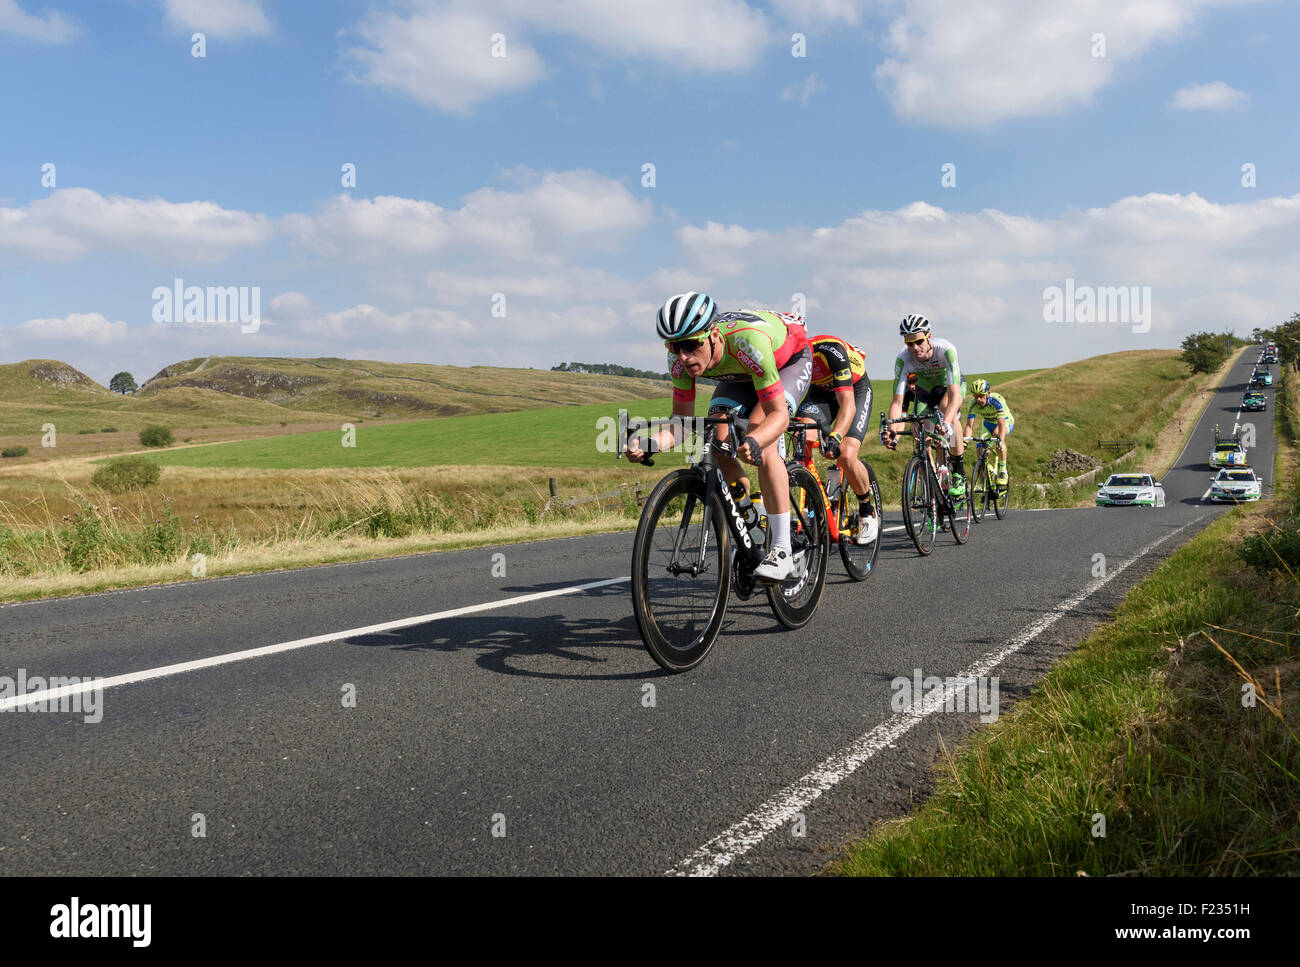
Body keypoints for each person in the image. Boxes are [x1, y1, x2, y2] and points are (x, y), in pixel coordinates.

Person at [624, 292, 812, 581]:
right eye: (675, 346)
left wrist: (755, 441)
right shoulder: (679, 361)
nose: (683, 356)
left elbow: (779, 416)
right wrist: (649, 444)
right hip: (738, 374)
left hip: (786, 361)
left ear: (713, 335)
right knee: (718, 439)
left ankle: (782, 549)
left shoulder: (750, 342)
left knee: (762, 438)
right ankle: (750, 513)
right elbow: (683, 423)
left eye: (690, 345)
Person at [794, 334, 878, 544]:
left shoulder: (830, 350)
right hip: (820, 392)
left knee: (846, 455)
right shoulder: (785, 358)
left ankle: (867, 510)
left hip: (854, 390)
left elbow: (848, 405)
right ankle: (817, 496)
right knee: (801, 435)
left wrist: (835, 436)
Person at [881, 313, 967, 497]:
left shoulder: (945, 349)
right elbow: (897, 402)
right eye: (909, 343)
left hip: (949, 389)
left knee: (946, 410)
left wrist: (946, 422)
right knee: (917, 427)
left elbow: (955, 396)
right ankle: (933, 489)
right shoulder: (903, 359)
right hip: (926, 393)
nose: (915, 348)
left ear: (928, 336)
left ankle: (959, 472)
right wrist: (892, 431)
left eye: (919, 341)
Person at [964, 378, 1014, 486]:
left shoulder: (997, 401)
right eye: (976, 396)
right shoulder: (972, 404)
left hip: (1004, 422)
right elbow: (969, 425)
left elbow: (1001, 423)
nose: (979, 399)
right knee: (980, 449)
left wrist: (1000, 441)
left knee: (997, 436)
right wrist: (965, 442)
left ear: (988, 393)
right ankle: (986, 484)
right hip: (987, 424)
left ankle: (1003, 470)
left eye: (981, 395)